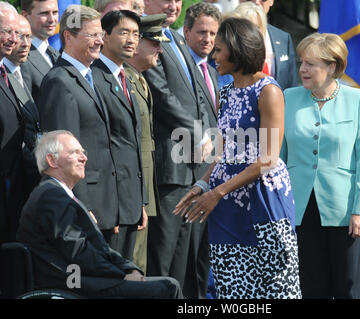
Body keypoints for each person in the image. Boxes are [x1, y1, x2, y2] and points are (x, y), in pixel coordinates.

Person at [174, 17, 301, 299]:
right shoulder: (226, 92)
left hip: (265, 201)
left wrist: (217, 191)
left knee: (276, 289)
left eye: (219, 49)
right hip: (226, 206)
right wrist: (202, 186)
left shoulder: (268, 91)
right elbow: (223, 152)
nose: (213, 55)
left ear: (238, 48)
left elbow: (268, 157)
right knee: (232, 291)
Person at [16, 130, 183, 299]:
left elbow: (100, 248)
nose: (84, 158)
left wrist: (128, 268)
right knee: (167, 288)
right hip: (69, 283)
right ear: (52, 160)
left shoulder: (58, 193)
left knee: (168, 284)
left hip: (82, 279)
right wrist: (121, 275)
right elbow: (78, 252)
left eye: (83, 152)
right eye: (75, 152)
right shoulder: (51, 195)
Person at [281, 32, 360, 299]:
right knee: (311, 288)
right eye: (301, 62)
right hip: (300, 211)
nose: (302, 69)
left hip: (346, 211)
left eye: (310, 64)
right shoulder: (288, 97)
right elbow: (279, 158)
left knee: (351, 288)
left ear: (332, 66)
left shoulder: (358, 100)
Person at [142, 0, 213, 299]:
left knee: (188, 260)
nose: (172, 5)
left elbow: (198, 96)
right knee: (164, 257)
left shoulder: (179, 40)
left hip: (196, 167)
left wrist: (210, 139)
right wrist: (198, 134)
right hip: (171, 167)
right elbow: (162, 95)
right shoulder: (147, 37)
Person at [38, 5, 119, 241]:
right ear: (68, 36)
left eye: (100, 35)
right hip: (86, 205)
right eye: (92, 35)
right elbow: (64, 155)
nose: (99, 42)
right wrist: (81, 204)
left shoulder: (92, 77)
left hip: (106, 202)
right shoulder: (59, 82)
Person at [92, 9, 147, 261]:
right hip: (109, 207)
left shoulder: (128, 77)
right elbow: (98, 148)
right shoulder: (93, 77)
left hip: (130, 204)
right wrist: (107, 207)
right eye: (124, 32)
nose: (131, 40)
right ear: (104, 35)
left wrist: (141, 203)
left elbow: (133, 146)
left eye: (136, 34)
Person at [124, 13, 169, 275]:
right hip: (132, 196)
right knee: (131, 268)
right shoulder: (125, 80)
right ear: (137, 43)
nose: (159, 50)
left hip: (142, 194)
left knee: (139, 268)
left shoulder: (139, 78)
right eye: (154, 43)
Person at [183, 1, 221, 299]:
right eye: (201, 32)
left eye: (212, 34)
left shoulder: (214, 70)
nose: (207, 39)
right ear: (186, 31)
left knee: (203, 260)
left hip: (211, 172)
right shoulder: (180, 63)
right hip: (186, 171)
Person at [2, 15, 42, 198]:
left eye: (28, 37)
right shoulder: (7, 74)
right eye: (17, 34)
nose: (24, 43)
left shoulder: (20, 73)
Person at [0, 2, 25, 244]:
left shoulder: (9, 74)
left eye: (16, 33)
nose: (13, 39)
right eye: (7, 31)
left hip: (12, 195)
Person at [247, 0, 298, 90]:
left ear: (271, 1)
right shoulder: (230, 36)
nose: (257, 2)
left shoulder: (283, 38)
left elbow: (291, 83)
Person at [20, 0, 60, 102]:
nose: (52, 19)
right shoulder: (21, 58)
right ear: (25, 16)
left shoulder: (56, 54)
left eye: (55, 12)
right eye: (44, 13)